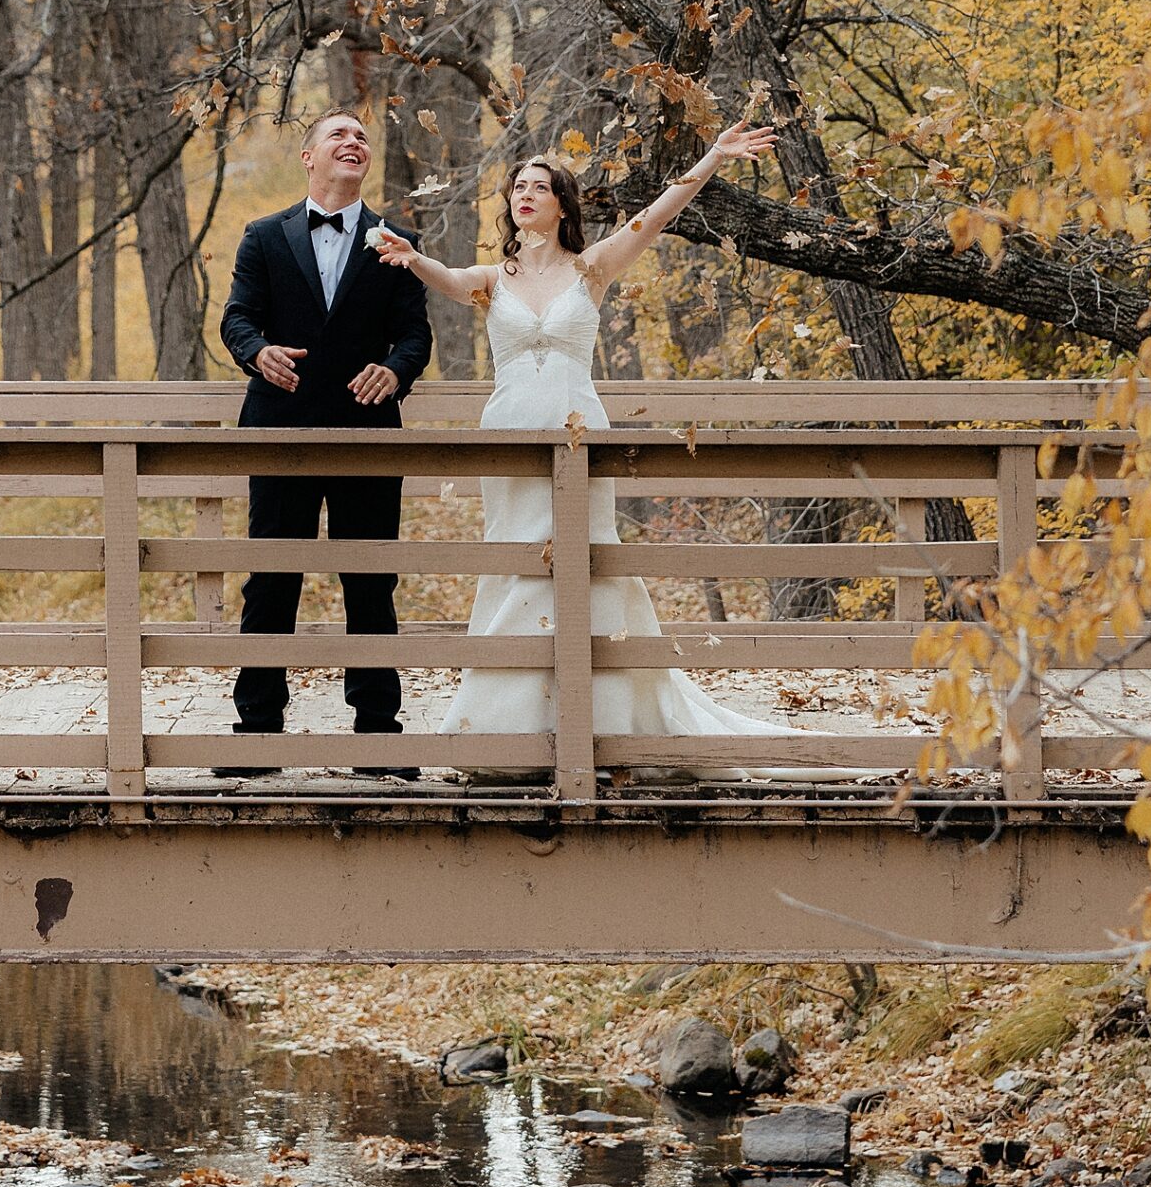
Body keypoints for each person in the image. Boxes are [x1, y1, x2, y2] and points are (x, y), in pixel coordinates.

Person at [373, 126, 794, 770]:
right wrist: (411, 257)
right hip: (510, 431)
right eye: (518, 187)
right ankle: (504, 722)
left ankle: (608, 718)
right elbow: (451, 278)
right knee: (517, 561)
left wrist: (712, 155)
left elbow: (656, 215)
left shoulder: (590, 269)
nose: (525, 195)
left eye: (539, 187)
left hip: (578, 430)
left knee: (588, 558)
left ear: (562, 206)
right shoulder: (496, 277)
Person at [219, 108, 433, 777]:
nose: (353, 142)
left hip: (367, 432)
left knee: (370, 579)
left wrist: (394, 369)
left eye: (362, 137)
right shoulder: (263, 235)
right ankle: (257, 734)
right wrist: (256, 353)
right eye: (339, 134)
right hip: (278, 429)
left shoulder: (396, 240)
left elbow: (415, 336)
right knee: (270, 579)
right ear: (308, 157)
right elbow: (237, 318)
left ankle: (377, 734)